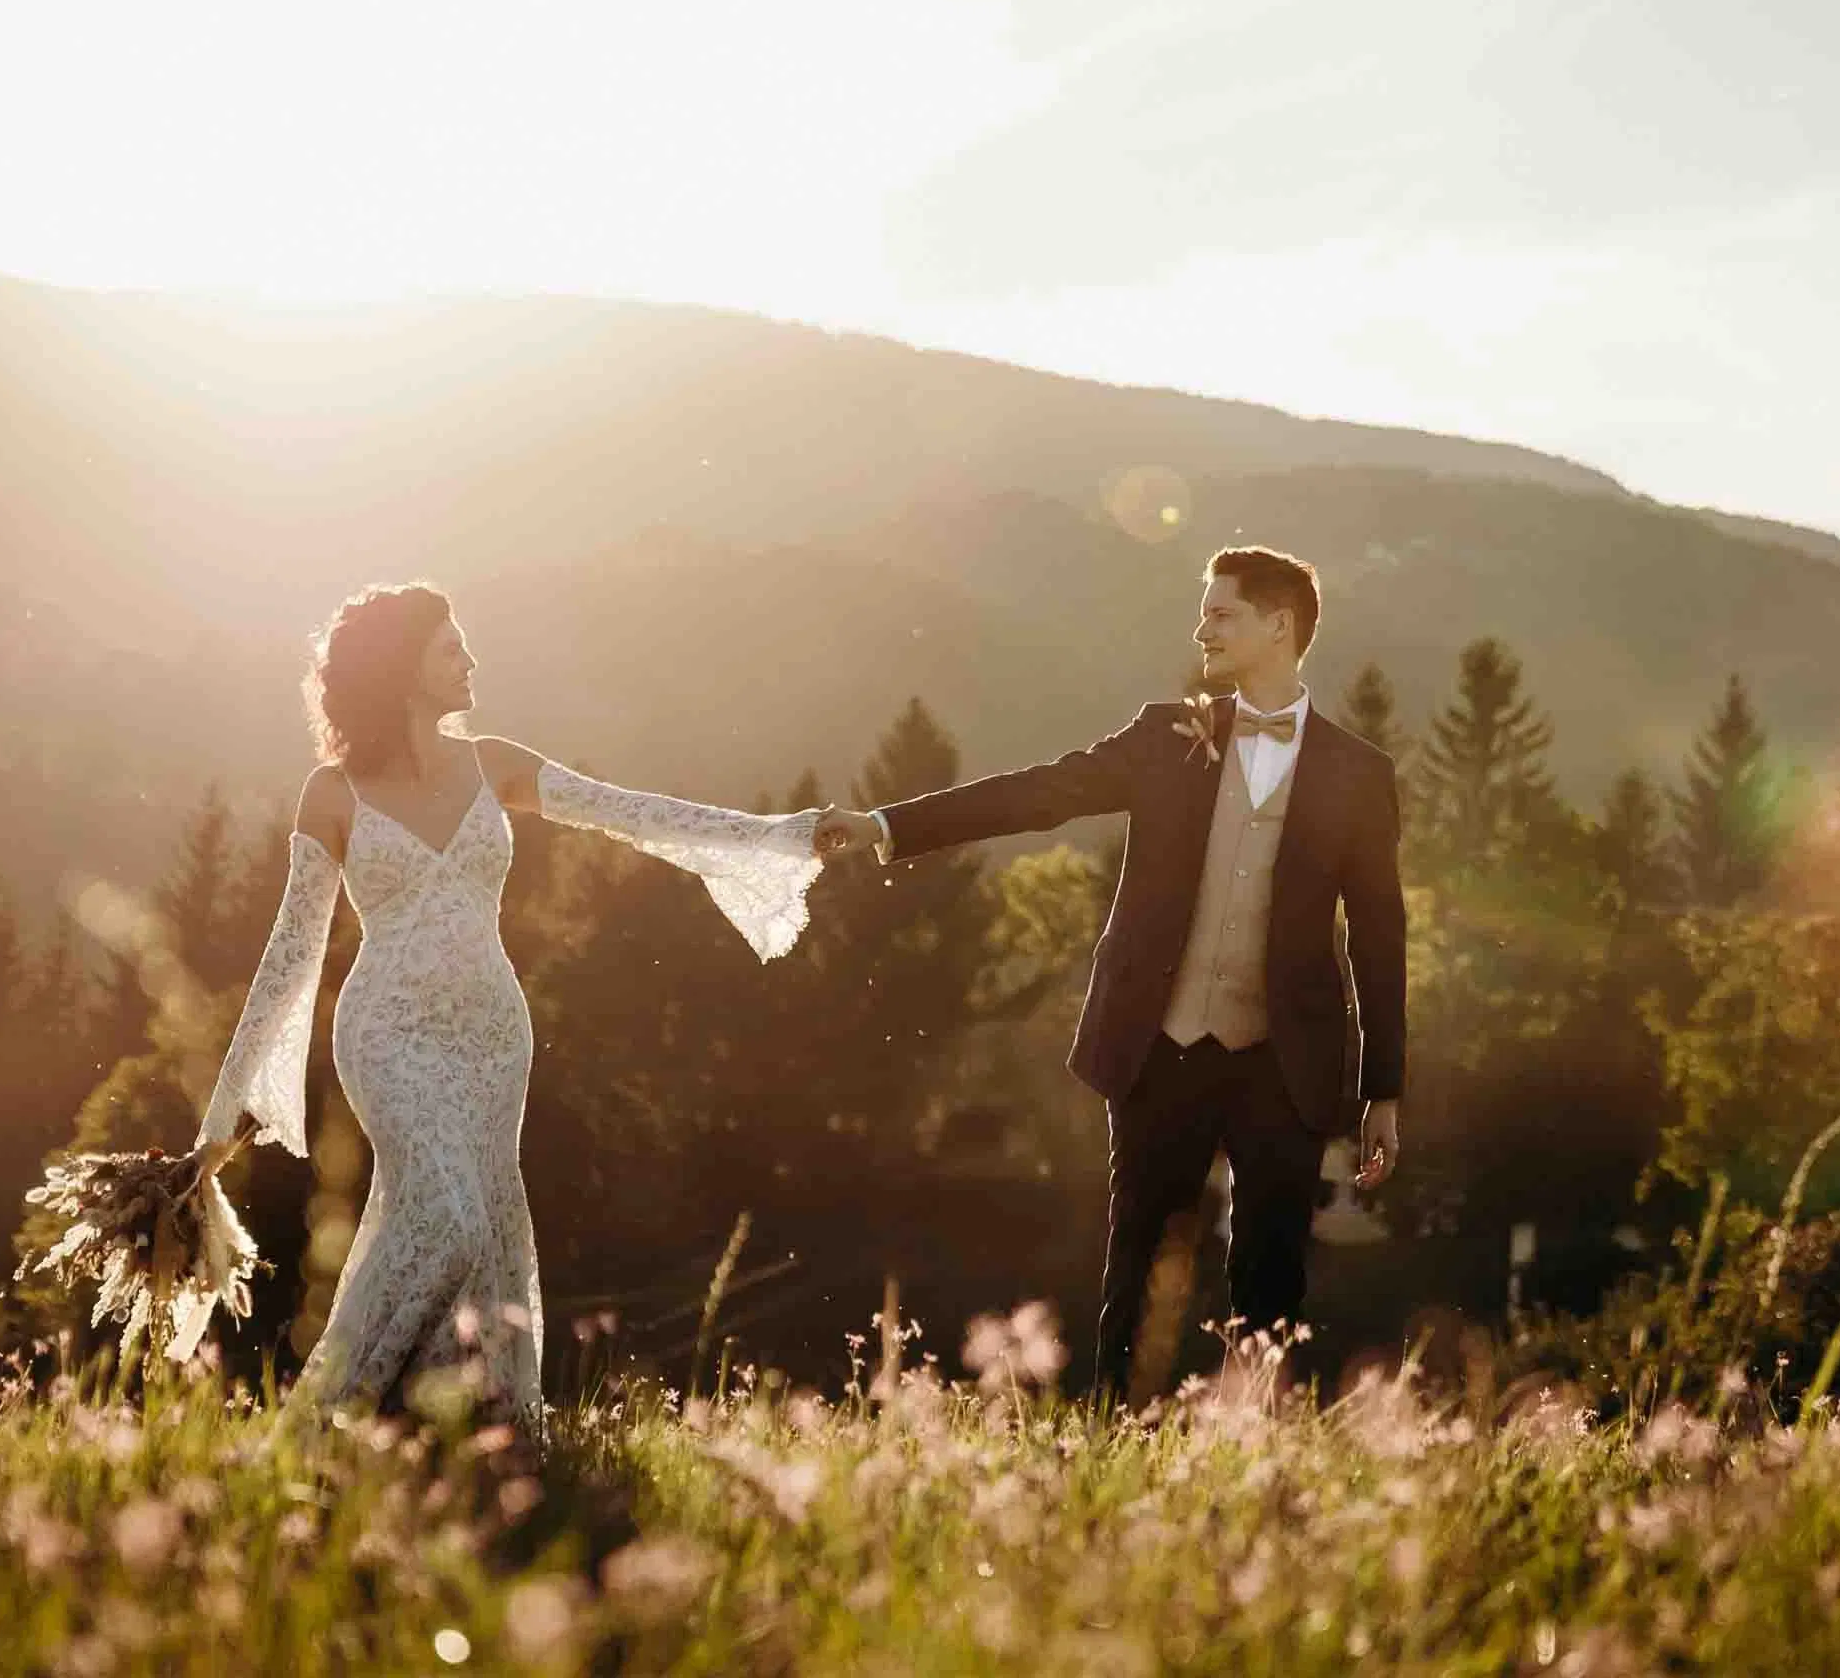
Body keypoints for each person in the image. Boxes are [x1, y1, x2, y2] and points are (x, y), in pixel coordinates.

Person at [195, 581, 823, 1450]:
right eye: (450, 648)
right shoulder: (332, 794)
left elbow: (630, 813)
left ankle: (458, 1432)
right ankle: (323, 1427)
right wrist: (222, 1123)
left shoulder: (493, 765)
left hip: (493, 1037)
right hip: (387, 1036)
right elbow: (290, 956)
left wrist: (787, 834)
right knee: (445, 1217)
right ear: (401, 668)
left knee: (485, 1229)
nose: (471, 661)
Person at [815, 545, 1405, 1403]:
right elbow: (1039, 793)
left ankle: (1255, 1446)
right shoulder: (1166, 737)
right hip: (1159, 1044)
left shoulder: (1359, 773)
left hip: (1285, 1059)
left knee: (1272, 1276)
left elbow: (1380, 935)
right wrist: (884, 825)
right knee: (1137, 1265)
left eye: (1221, 614)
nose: (1202, 630)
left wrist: (1383, 1089)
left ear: (1279, 626)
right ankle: (1115, 1433)